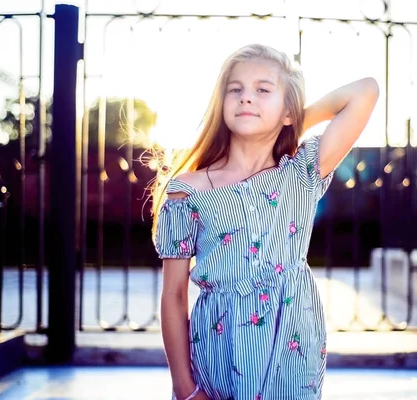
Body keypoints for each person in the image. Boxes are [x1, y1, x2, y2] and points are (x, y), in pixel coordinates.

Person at [152, 43, 379, 400]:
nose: (246, 98)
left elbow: (365, 90)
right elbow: (173, 293)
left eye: (262, 90)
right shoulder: (187, 191)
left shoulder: (302, 172)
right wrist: (183, 386)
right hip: (220, 348)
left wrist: (290, 121)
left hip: (292, 344)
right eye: (235, 90)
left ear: (287, 110)